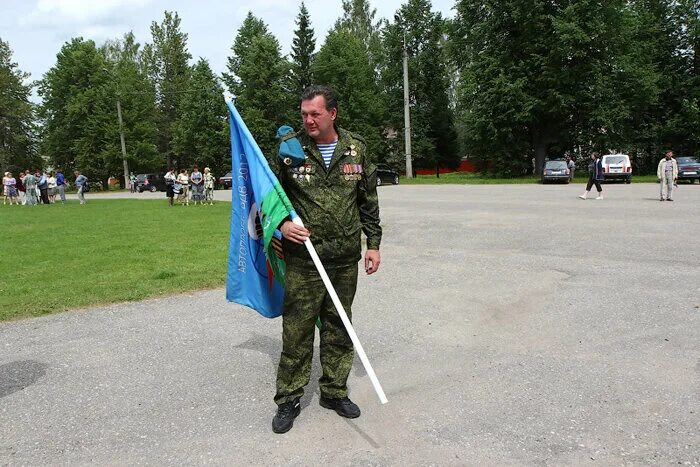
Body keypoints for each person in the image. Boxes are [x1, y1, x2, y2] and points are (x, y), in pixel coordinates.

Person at [268, 85, 382, 434]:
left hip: (345, 257)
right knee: (297, 331)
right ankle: (288, 398)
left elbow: (368, 199)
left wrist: (374, 243)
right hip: (305, 259)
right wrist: (282, 224)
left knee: (339, 326)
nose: (308, 120)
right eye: (304, 114)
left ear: (332, 113)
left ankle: (334, 391)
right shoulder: (290, 150)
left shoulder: (356, 148)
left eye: (314, 114)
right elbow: (270, 196)